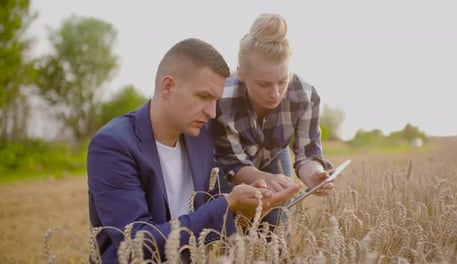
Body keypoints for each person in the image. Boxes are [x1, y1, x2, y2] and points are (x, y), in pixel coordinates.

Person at [87, 38, 300, 263]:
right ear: (168, 86)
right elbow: (137, 244)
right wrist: (227, 204)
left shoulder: (201, 138)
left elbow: (208, 220)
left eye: (216, 100)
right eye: (204, 97)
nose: (212, 112)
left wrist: (249, 209)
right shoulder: (112, 145)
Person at [209, 13, 334, 231]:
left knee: (277, 223)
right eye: (264, 84)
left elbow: (307, 153)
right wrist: (268, 179)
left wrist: (314, 175)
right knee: (228, 225)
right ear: (242, 74)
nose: (275, 93)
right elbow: (234, 163)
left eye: (282, 81)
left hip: (273, 154)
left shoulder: (305, 95)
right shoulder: (223, 99)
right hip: (226, 164)